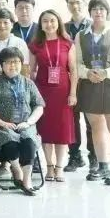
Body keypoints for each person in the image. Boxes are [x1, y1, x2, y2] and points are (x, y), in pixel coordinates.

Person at [73, 0, 110, 186]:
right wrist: (87, 73)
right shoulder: (81, 35)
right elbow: (77, 63)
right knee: (96, 127)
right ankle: (103, 166)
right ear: (90, 12)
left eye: (102, 9)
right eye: (95, 9)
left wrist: (106, 73)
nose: (98, 12)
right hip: (90, 84)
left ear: (107, 12)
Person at [0, 47, 45, 195]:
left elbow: (39, 106)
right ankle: (16, 170)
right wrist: (2, 123)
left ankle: (26, 181)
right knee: (10, 143)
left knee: (29, 141)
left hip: (25, 123)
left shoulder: (28, 83)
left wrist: (29, 122)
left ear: (21, 63)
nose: (13, 65)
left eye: (16, 62)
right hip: (1, 125)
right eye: (8, 62)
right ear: (1, 65)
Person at [30, 10, 79, 185]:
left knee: (62, 130)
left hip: (63, 92)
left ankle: (59, 167)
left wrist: (73, 93)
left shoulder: (67, 43)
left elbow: (73, 70)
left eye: (52, 20)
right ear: (41, 24)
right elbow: (31, 72)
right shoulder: (35, 45)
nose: (49, 24)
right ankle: (49, 166)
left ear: (58, 22)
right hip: (42, 92)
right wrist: (31, 96)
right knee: (46, 130)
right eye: (45, 21)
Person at [62, 0, 95, 172]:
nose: (75, 6)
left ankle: (94, 156)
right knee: (71, 119)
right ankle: (74, 156)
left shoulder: (92, 25)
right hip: (68, 79)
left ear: (84, 4)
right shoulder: (63, 27)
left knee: (91, 120)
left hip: (88, 77)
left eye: (78, 2)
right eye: (71, 3)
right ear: (67, 5)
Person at [0, 9, 30, 73]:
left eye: (5, 22)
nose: (2, 26)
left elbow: (25, 67)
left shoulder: (20, 43)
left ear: (12, 24)